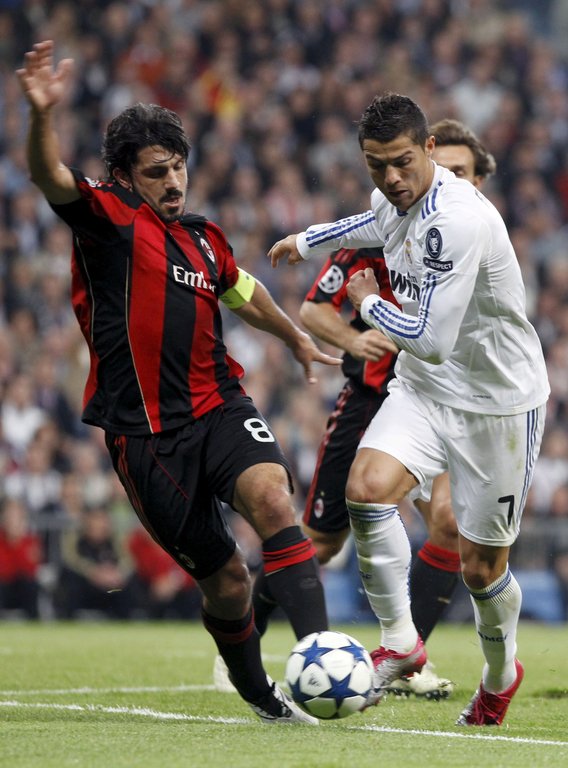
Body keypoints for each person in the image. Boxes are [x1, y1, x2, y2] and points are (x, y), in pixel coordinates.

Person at [17, 40, 340, 725]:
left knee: (273, 499)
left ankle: (321, 651)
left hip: (218, 405)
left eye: (179, 167)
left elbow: (243, 291)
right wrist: (42, 115)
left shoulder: (203, 238)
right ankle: (260, 694)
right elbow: (49, 175)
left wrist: (294, 336)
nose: (174, 182)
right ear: (125, 177)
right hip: (146, 439)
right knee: (227, 582)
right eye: (157, 172)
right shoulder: (107, 220)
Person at [269, 93, 549, 727]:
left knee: (482, 569)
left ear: (429, 149)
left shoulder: (459, 220)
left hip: (498, 404)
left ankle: (500, 675)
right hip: (425, 389)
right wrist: (306, 240)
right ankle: (400, 641)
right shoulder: (393, 197)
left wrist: (367, 302)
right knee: (366, 490)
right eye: (376, 165)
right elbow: (371, 222)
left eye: (401, 162)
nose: (391, 177)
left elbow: (430, 338)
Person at [244, 119, 497, 701]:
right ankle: (245, 635)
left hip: (448, 402)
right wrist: (355, 338)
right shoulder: (384, 227)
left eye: (461, 172)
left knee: (449, 524)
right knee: (320, 542)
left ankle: (407, 658)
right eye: (444, 169)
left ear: (477, 181)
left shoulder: (476, 237)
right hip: (373, 400)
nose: (448, 179)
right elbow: (315, 308)